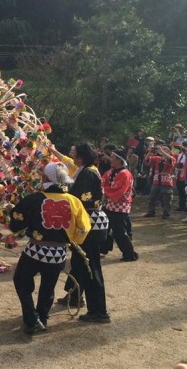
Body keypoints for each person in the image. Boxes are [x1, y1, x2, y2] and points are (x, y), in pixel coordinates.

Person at [9, 162, 91, 335]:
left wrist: (16, 217)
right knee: (48, 286)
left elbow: (16, 223)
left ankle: (32, 319)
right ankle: (42, 318)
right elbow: (84, 227)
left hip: (36, 251)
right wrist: (72, 240)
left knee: (21, 280)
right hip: (59, 253)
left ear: (46, 178)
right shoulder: (74, 201)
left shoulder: (35, 198)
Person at [56, 143, 111, 323]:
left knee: (90, 267)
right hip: (88, 223)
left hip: (90, 225)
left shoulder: (87, 173)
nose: (71, 154)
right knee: (79, 262)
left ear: (81, 157)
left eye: (74, 153)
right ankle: (74, 296)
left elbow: (77, 198)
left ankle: (99, 311)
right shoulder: (87, 169)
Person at [101, 149, 139, 262]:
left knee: (119, 232)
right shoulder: (112, 171)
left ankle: (129, 253)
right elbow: (102, 180)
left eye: (112, 157)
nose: (110, 159)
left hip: (120, 207)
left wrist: (102, 190)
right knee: (105, 227)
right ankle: (103, 248)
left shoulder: (124, 174)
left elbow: (117, 191)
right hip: (110, 205)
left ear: (119, 160)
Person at [143, 144, 175, 219]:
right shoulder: (157, 158)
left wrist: (161, 150)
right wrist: (150, 151)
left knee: (167, 199)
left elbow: (170, 159)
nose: (162, 150)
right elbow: (146, 160)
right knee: (152, 197)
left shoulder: (172, 158)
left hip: (166, 180)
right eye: (162, 149)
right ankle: (151, 212)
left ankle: (166, 214)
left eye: (165, 149)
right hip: (156, 180)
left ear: (169, 151)